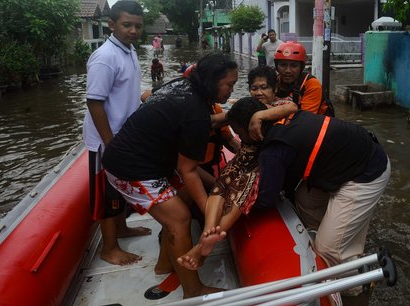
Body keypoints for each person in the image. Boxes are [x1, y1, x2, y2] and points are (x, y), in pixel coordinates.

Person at [226, 97, 391, 304]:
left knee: (329, 248)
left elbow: (266, 199)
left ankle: (357, 288)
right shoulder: (281, 113)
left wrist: (237, 206)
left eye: (240, 134)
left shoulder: (273, 149)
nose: (240, 140)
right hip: (346, 160)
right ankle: (334, 238)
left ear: (253, 129)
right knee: (305, 198)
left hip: (366, 173)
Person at [101, 52, 239, 298]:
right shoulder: (195, 109)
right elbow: (188, 170)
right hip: (129, 168)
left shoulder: (183, 86)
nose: (231, 90)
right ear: (211, 81)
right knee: (179, 218)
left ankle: (165, 264)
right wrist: (211, 214)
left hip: (144, 160)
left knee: (183, 198)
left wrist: (218, 184)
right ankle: (193, 291)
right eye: (229, 84)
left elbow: (195, 124)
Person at [176, 66, 298, 270]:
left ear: (274, 89)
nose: (259, 92)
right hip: (243, 157)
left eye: (264, 87)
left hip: (262, 163)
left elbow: (291, 107)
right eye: (253, 88)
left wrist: (259, 116)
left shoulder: (278, 106)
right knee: (223, 181)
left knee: (242, 189)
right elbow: (218, 121)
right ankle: (208, 233)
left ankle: (203, 246)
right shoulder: (246, 107)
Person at [82, 0, 150, 266]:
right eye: (127, 25)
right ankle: (109, 248)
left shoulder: (128, 50)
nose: (133, 31)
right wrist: (110, 143)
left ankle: (122, 229)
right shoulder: (105, 57)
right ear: (111, 25)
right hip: (105, 140)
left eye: (138, 26)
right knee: (106, 192)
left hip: (124, 135)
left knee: (119, 186)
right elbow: (94, 102)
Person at [273, 41, 334, 121]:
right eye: (283, 65)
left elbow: (304, 120)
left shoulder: (311, 84)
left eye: (294, 65)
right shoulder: (273, 82)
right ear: (277, 66)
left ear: (301, 67)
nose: (288, 70)